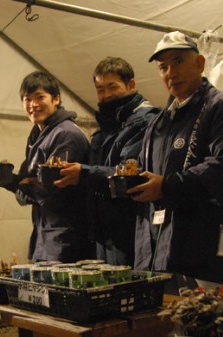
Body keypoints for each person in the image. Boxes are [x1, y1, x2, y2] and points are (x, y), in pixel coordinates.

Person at [131, 31, 223, 289]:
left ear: (199, 63)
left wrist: (166, 186)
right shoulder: (158, 124)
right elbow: (148, 175)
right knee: (167, 324)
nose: (170, 73)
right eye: (163, 67)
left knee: (212, 322)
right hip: (161, 251)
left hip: (211, 250)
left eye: (178, 61)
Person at [55, 57, 159, 266]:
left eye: (113, 87)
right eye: (100, 89)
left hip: (132, 230)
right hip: (104, 234)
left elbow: (132, 174)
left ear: (131, 85)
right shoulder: (104, 129)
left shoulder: (146, 122)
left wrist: (84, 173)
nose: (106, 95)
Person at [0, 71, 90, 263]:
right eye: (27, 99)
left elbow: (56, 190)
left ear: (56, 99)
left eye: (40, 97)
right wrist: (11, 182)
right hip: (44, 233)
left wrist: (23, 186)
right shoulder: (37, 135)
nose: (33, 105)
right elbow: (31, 180)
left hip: (66, 237)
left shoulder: (66, 134)